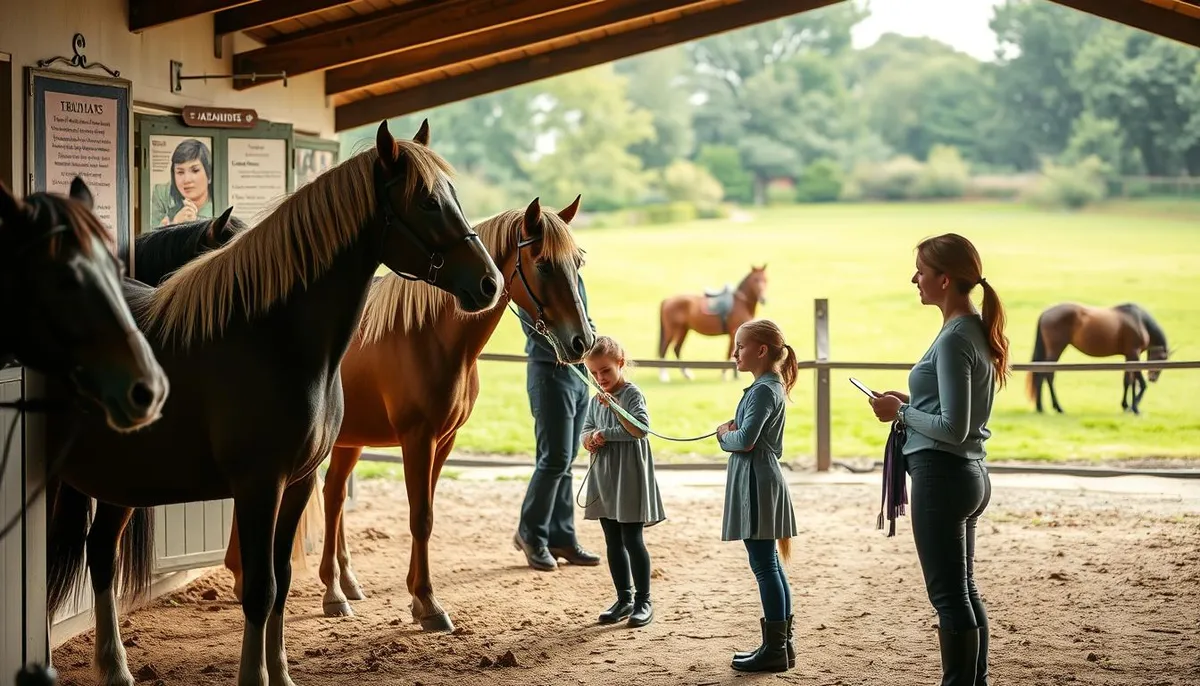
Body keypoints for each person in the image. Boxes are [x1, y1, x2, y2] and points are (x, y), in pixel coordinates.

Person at [867, 233, 1009, 686]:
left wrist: (901, 411)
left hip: (943, 475)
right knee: (963, 590)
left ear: (944, 279)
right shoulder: (968, 330)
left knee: (949, 597)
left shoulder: (955, 338)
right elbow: (953, 411)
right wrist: (910, 401)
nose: (915, 278)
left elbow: (953, 427)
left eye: (922, 272)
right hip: (967, 473)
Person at [716, 318, 799, 673]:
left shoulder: (765, 389)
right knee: (769, 564)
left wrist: (724, 436)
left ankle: (775, 649)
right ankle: (781, 645)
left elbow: (746, 440)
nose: (735, 352)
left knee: (764, 565)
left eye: (741, 346)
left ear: (761, 351)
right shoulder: (765, 387)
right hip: (757, 477)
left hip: (757, 481)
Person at [512, 272, 601, 571]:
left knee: (566, 459)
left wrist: (589, 341)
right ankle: (530, 533)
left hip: (577, 374)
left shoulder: (574, 277)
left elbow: (584, 319)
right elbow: (534, 327)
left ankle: (561, 537)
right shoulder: (532, 277)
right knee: (554, 459)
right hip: (549, 373)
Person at [579, 335, 666, 628]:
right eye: (594, 373)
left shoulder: (631, 394)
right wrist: (589, 440)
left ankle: (643, 600)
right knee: (612, 540)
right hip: (604, 477)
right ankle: (623, 598)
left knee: (632, 538)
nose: (600, 378)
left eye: (606, 371)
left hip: (628, 476)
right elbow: (587, 429)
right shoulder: (595, 400)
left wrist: (609, 422)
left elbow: (639, 429)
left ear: (620, 364)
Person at [150, 139, 214, 227]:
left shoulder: (218, 204)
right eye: (180, 172)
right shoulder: (161, 193)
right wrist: (174, 225)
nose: (187, 179)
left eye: (195, 170)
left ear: (209, 175)